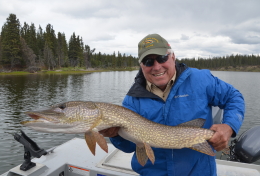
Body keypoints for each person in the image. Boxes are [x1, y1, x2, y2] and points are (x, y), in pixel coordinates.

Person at [100, 34, 245, 176]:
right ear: (141, 66)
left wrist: (229, 126)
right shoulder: (132, 100)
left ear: (173, 57)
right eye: (148, 62)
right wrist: (115, 135)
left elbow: (234, 97)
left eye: (162, 58)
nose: (156, 67)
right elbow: (130, 146)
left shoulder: (201, 80)